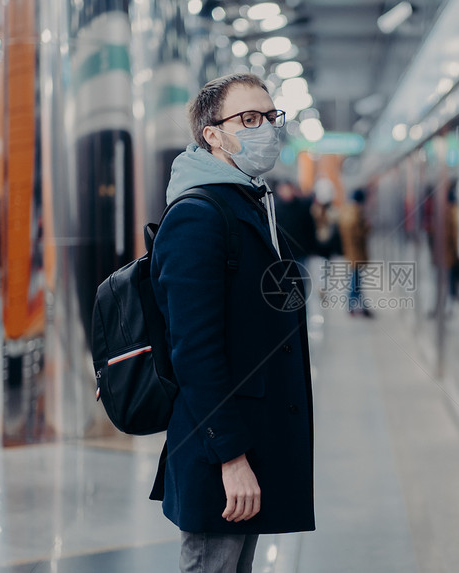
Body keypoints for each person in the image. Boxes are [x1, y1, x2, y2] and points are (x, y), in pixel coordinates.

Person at [150, 73, 315, 573]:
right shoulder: (199, 215)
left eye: (269, 117)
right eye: (249, 119)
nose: (266, 127)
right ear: (212, 136)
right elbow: (194, 351)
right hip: (219, 447)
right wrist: (230, 457)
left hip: (248, 437)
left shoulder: (246, 202)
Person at [338, 188, 372, 317]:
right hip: (355, 252)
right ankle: (354, 306)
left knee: (355, 281)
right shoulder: (355, 212)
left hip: (351, 252)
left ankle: (358, 306)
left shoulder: (347, 211)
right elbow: (357, 233)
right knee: (355, 282)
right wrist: (366, 227)